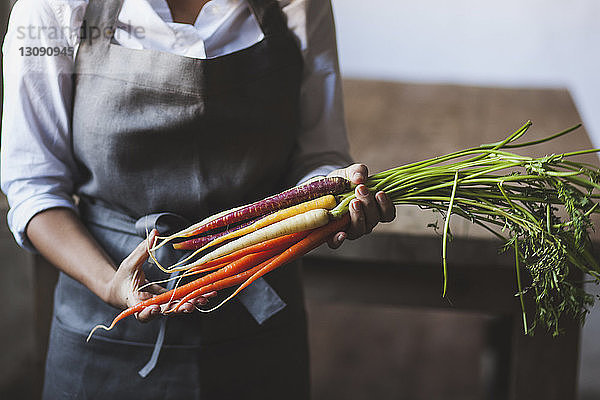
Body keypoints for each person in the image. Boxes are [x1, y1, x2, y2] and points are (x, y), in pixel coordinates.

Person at [1, 0, 395, 398]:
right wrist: (109, 283)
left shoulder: (298, 6)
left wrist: (337, 196)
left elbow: (319, 156)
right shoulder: (54, 8)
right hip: (103, 327)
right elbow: (34, 186)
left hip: (256, 316)